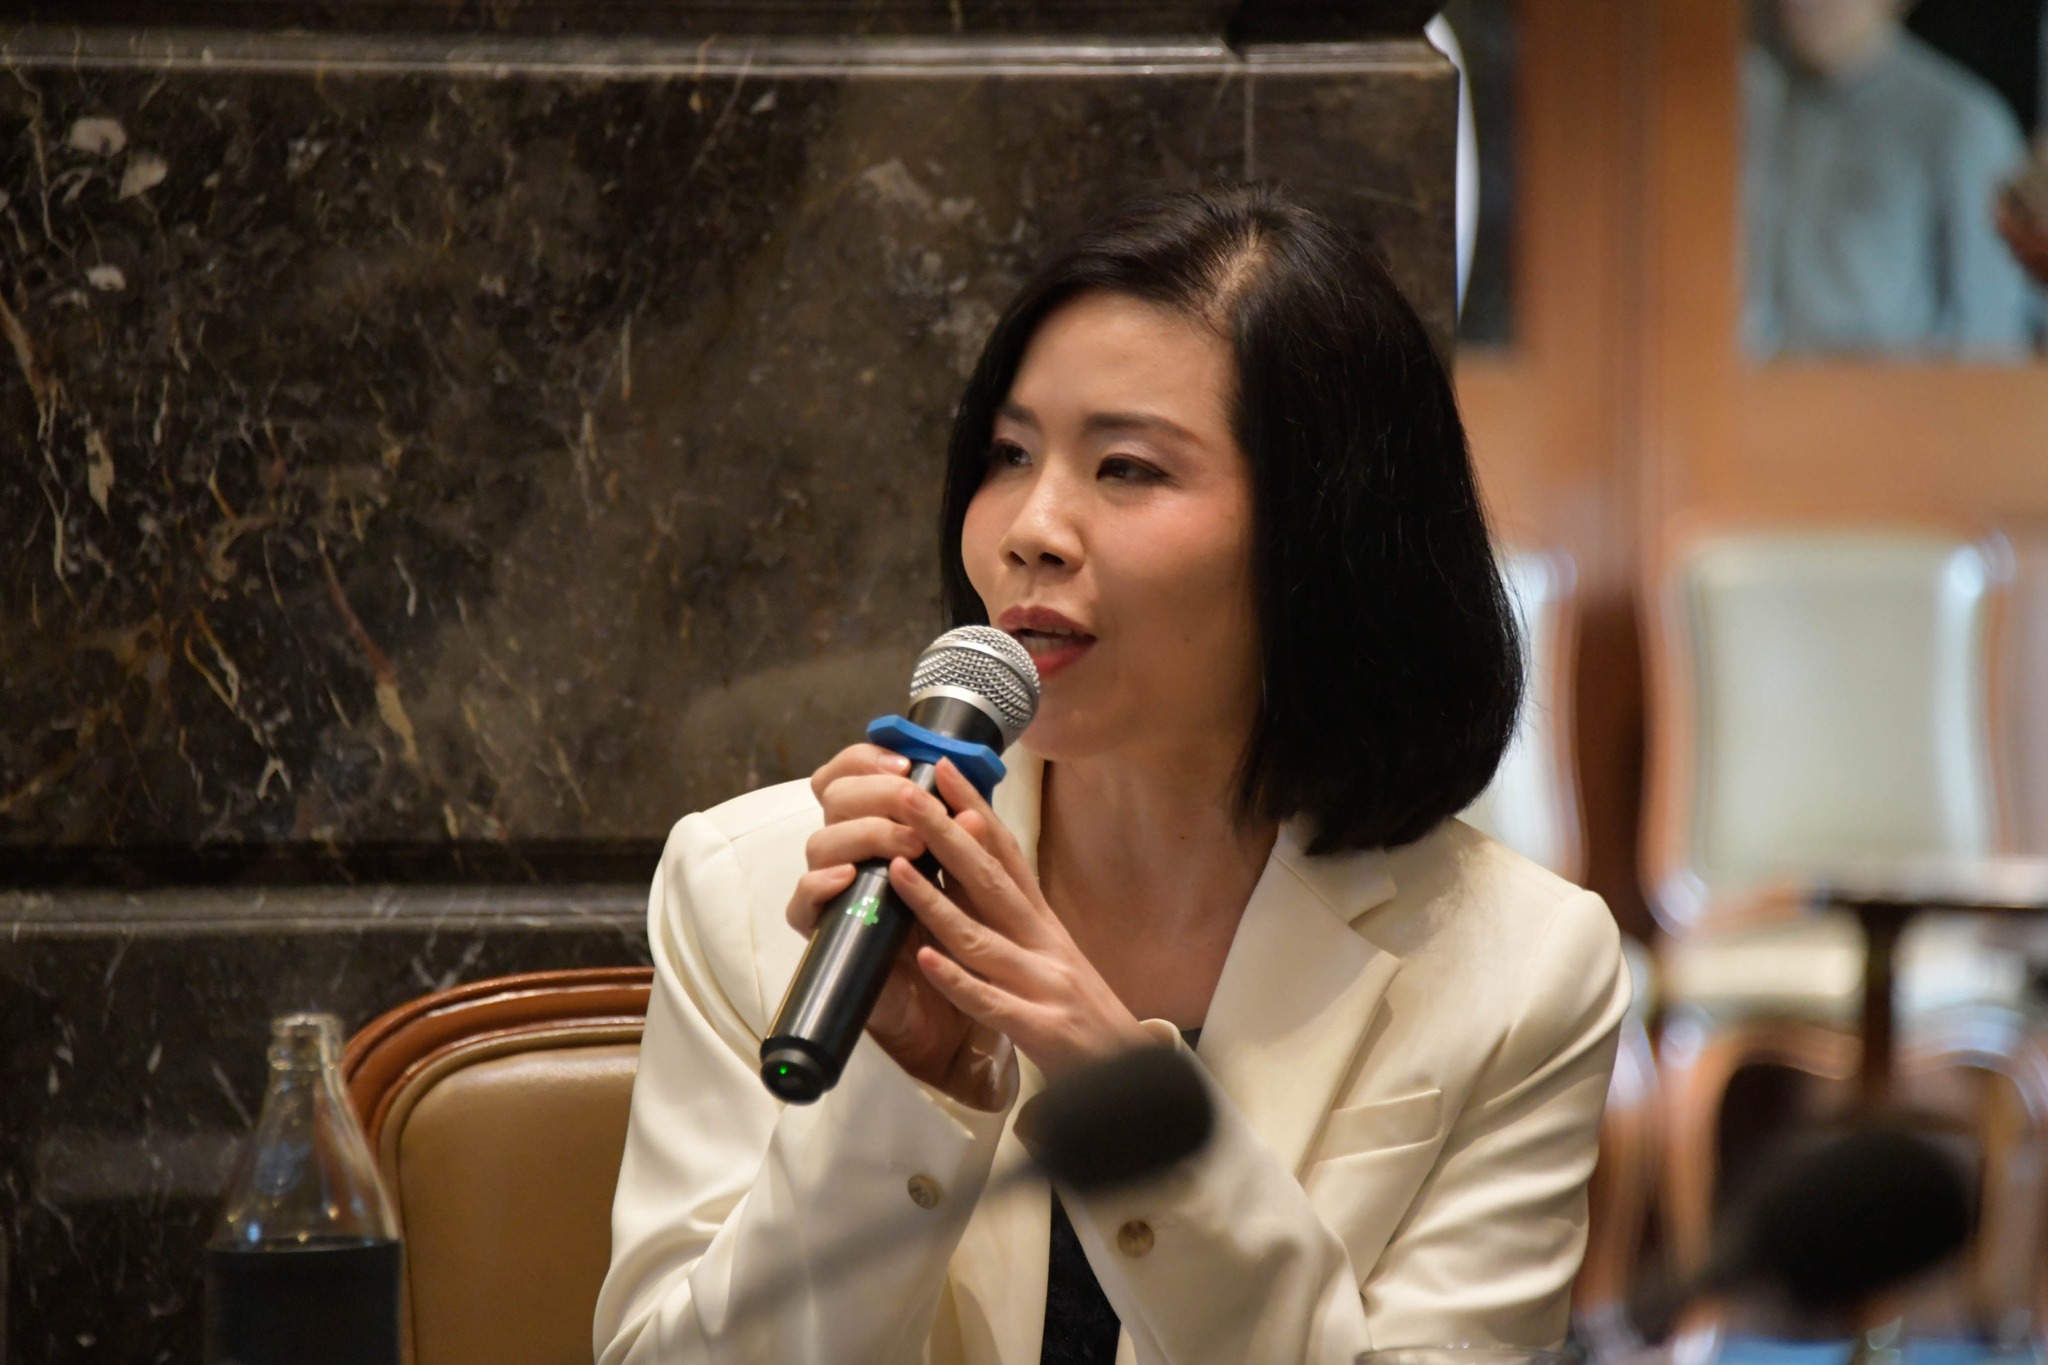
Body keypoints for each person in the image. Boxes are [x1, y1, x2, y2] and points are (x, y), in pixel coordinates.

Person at [593, 185, 1630, 1365]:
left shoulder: (1520, 968)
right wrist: (902, 1090)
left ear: (1324, 535)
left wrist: (1115, 1076)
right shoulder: (762, 885)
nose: (1029, 528)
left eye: (1126, 468)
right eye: (1007, 454)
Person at [1744, 0, 2036, 357]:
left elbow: (1989, 331)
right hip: (1759, 384)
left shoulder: (1959, 121)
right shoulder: (1757, 109)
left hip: (1893, 385)